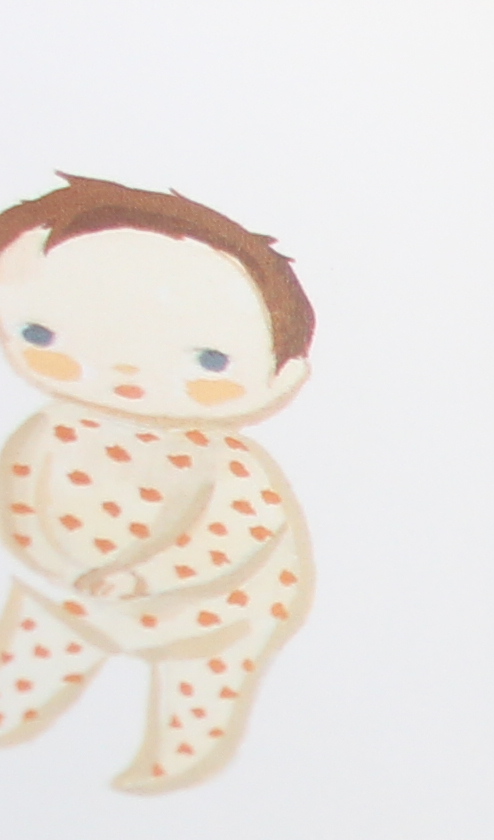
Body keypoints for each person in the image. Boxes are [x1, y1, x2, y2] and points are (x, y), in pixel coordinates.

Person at [0, 178, 315, 793]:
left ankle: (176, 768)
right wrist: (42, 555)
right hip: (72, 588)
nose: (125, 369)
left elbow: (234, 537)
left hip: (213, 612)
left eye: (209, 360)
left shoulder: (224, 461)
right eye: (41, 332)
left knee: (200, 691)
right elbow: (17, 493)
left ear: (282, 379)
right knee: (31, 662)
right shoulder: (50, 430)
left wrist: (144, 578)